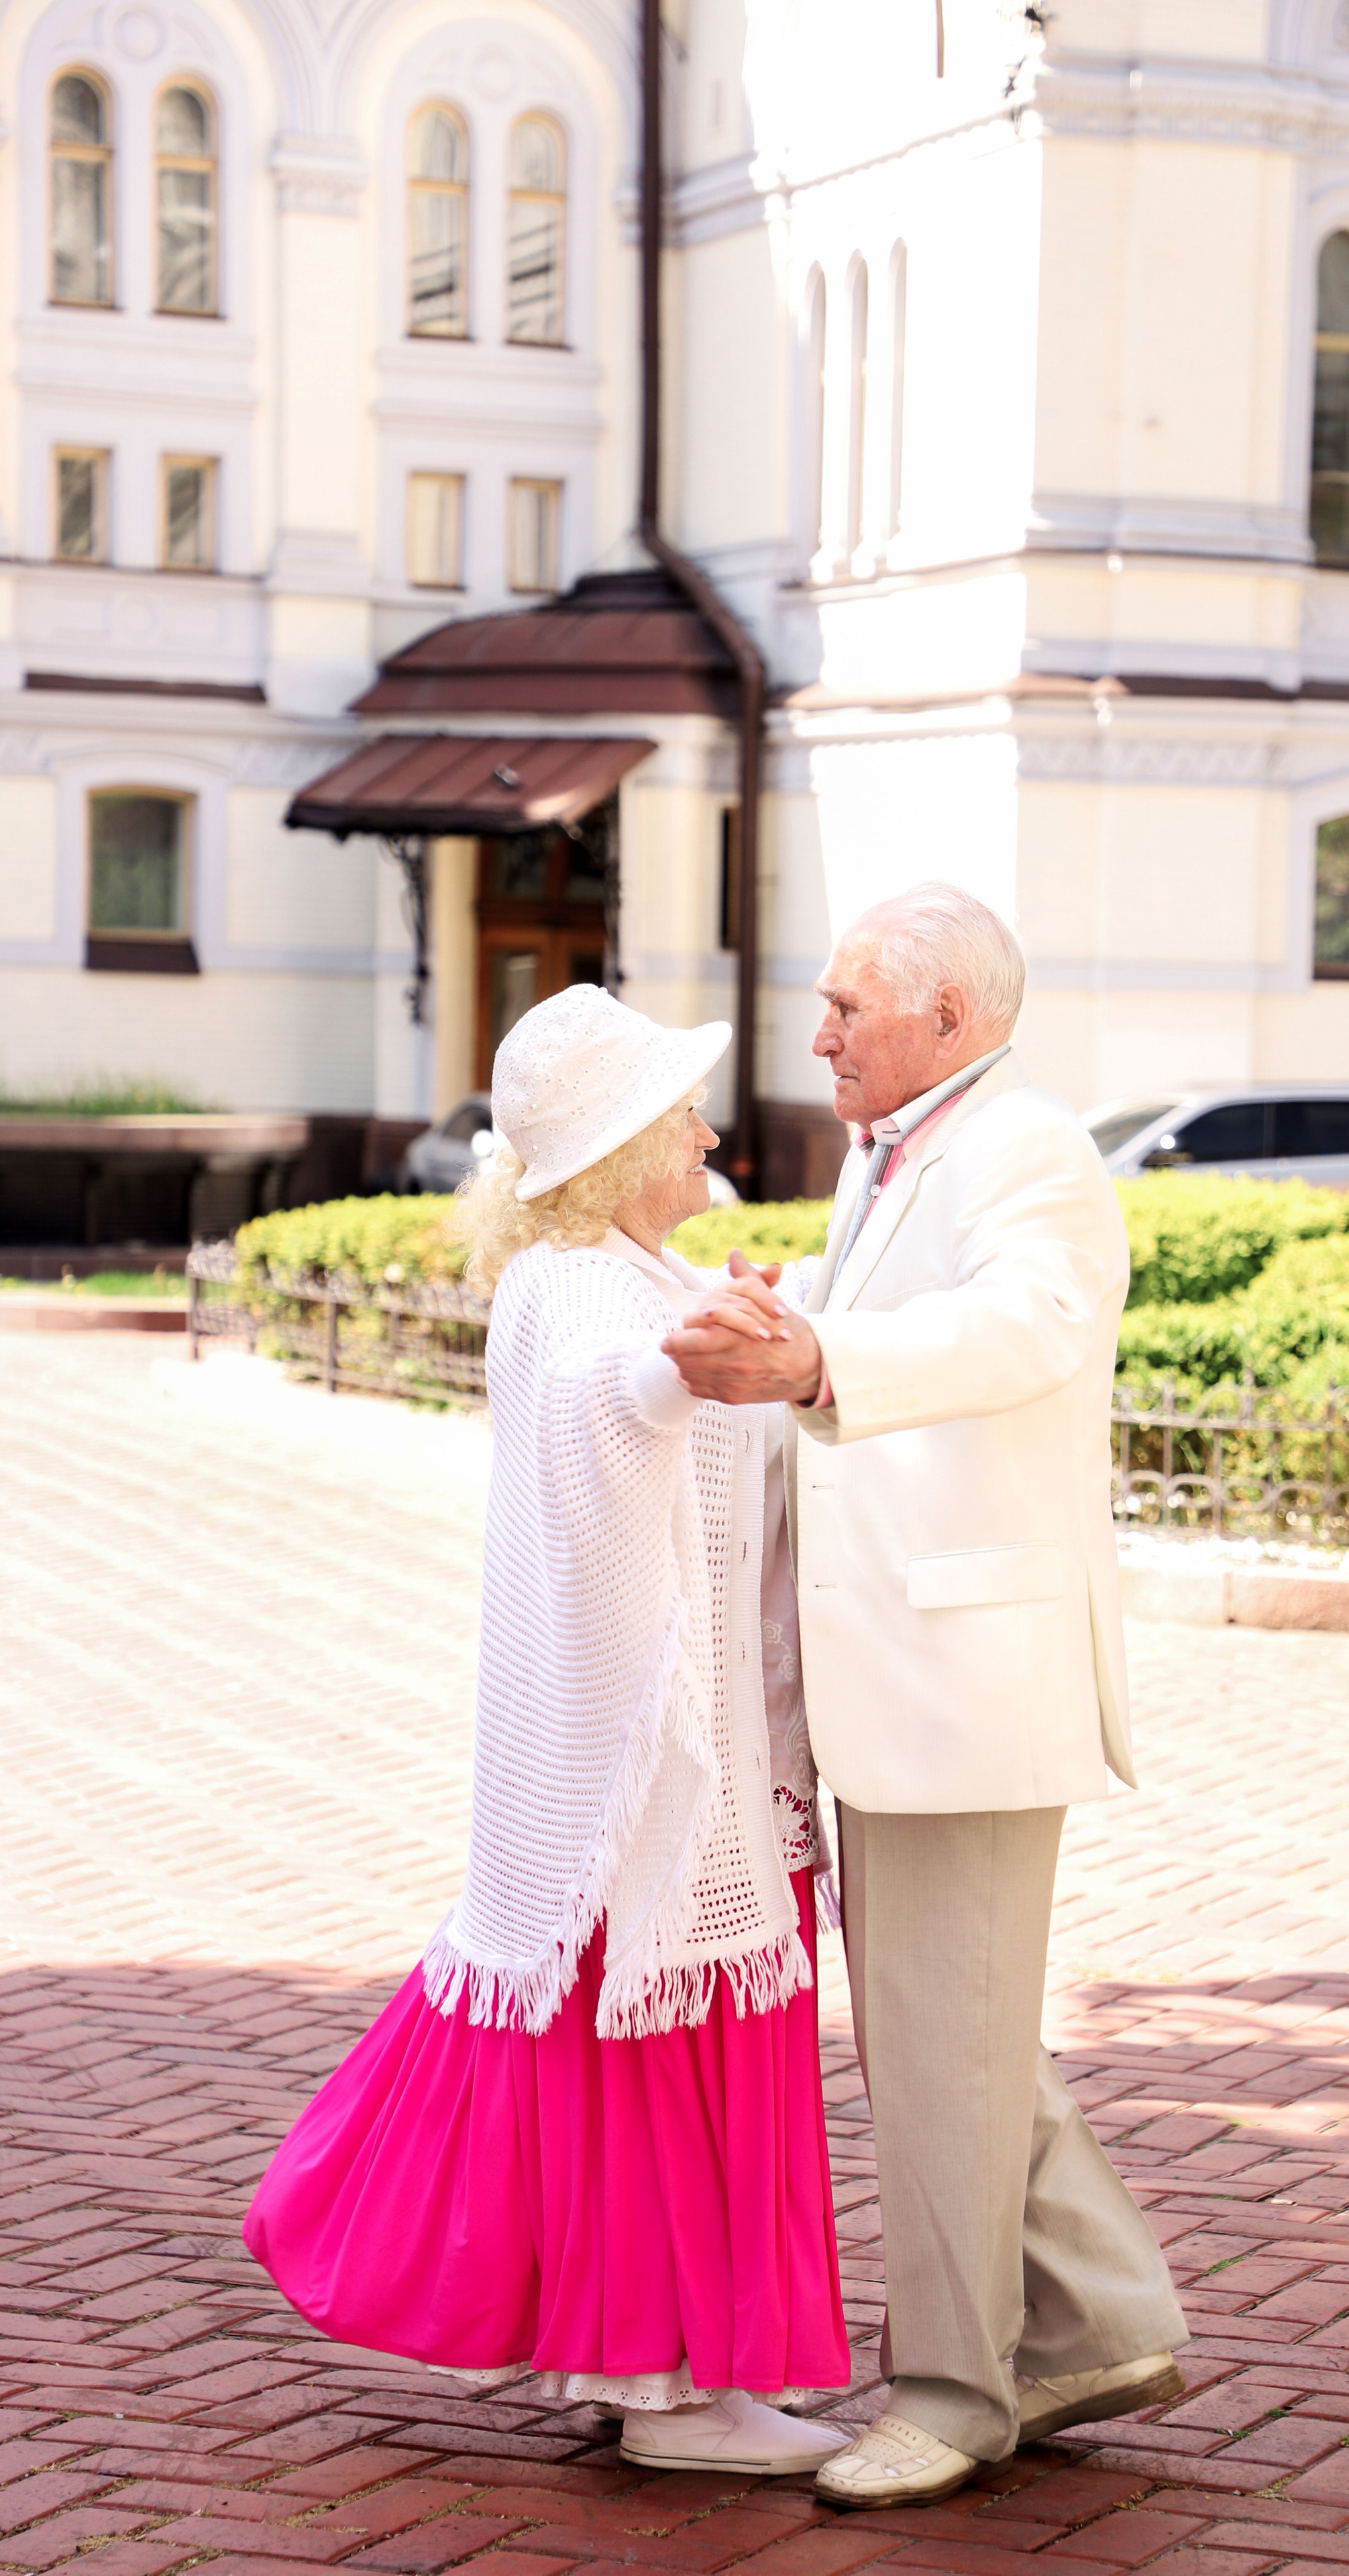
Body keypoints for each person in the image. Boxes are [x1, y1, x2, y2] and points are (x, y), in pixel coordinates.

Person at [244, 984, 851, 2477]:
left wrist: (744, 1336)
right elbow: (594, 1415)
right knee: (644, 2073)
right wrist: (675, 1371)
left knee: (651, 2067)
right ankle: (666, 2395)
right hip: (650, 1772)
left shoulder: (639, 1271)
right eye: (682, 1112)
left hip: (709, 1750)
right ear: (622, 1144)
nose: (709, 1132)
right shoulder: (574, 1289)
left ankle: (663, 2368)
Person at [663, 883, 1189, 2508]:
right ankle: (1100, 2325)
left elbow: (1028, 1327)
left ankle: (958, 2398)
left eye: (846, 1007)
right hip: (901, 1669)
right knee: (949, 2039)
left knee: (945, 2047)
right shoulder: (888, 1150)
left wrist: (820, 1359)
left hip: (966, 1675)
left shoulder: (1026, 1146)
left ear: (946, 1019)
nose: (816, 1032)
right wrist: (799, 1319)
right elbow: (894, 1336)